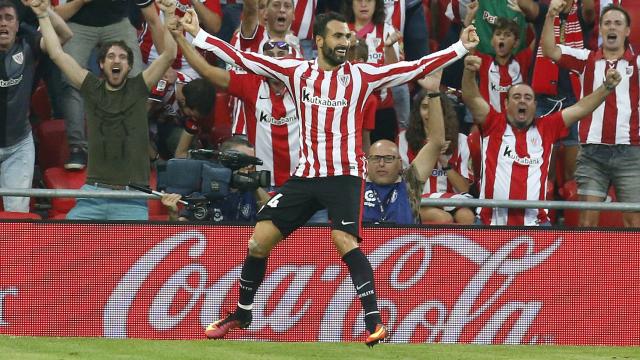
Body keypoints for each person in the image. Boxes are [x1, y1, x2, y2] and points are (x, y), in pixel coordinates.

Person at [176, 9, 478, 345]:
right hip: (305, 177)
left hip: (344, 176)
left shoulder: (362, 76)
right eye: (338, 36)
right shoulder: (296, 71)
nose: (345, 43)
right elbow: (241, 58)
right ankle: (242, 313)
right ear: (318, 40)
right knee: (258, 242)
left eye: (347, 37)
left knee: (343, 240)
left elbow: (411, 68)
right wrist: (198, 35)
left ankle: (374, 322)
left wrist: (460, 49)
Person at [34, 0, 178, 220]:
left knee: (131, 255)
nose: (116, 60)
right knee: (67, 250)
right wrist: (43, 15)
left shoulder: (139, 86)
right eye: (110, 56)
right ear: (101, 64)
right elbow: (56, 53)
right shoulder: (92, 87)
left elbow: (168, 54)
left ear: (130, 67)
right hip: (92, 194)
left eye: (122, 57)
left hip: (132, 197)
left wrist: (168, 15)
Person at [462, 54, 622, 226]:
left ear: (535, 106)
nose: (522, 100)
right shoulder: (493, 123)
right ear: (506, 103)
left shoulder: (547, 127)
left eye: (528, 98)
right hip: (489, 223)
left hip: (536, 225)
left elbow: (581, 108)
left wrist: (606, 87)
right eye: (517, 97)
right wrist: (469, 72)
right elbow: (472, 98)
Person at [541, 3, 640, 227]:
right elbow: (549, 50)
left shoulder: (638, 64)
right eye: (607, 23)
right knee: (587, 220)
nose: (612, 27)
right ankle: (588, 263)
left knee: (635, 221)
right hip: (592, 152)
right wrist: (550, 15)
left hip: (631, 152)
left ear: (627, 31)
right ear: (601, 30)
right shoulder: (585, 59)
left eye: (617, 23)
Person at [59, 0, 166, 171]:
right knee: (69, 79)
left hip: (117, 22)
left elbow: (153, 18)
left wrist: (164, 61)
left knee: (135, 80)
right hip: (77, 22)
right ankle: (77, 147)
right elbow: (53, 13)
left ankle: (133, 146)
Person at [0, 0, 70, 212]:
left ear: (17, 24)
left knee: (17, 215)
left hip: (18, 147)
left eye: (8, 18)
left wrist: (43, 9)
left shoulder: (28, 46)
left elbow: (65, 35)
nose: (3, 24)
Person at [363, 72, 446, 224]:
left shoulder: (410, 185)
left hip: (403, 247)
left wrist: (434, 93)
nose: (381, 164)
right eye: (376, 158)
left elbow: (436, 142)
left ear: (400, 163)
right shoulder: (355, 186)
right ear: (366, 162)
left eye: (388, 158)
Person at [398, 85, 475, 225]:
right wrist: (430, 151)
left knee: (467, 217)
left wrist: (444, 161)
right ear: (418, 112)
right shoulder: (403, 139)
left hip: (451, 199)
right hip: (417, 199)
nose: (430, 113)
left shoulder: (462, 140)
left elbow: (464, 188)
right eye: (425, 107)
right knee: (443, 219)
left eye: (436, 108)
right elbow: (404, 184)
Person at [161, 136, 270, 222]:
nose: (249, 167)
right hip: (215, 248)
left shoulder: (252, 192)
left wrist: (255, 184)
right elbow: (180, 232)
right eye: (244, 161)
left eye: (251, 163)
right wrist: (173, 215)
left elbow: (275, 215)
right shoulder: (206, 191)